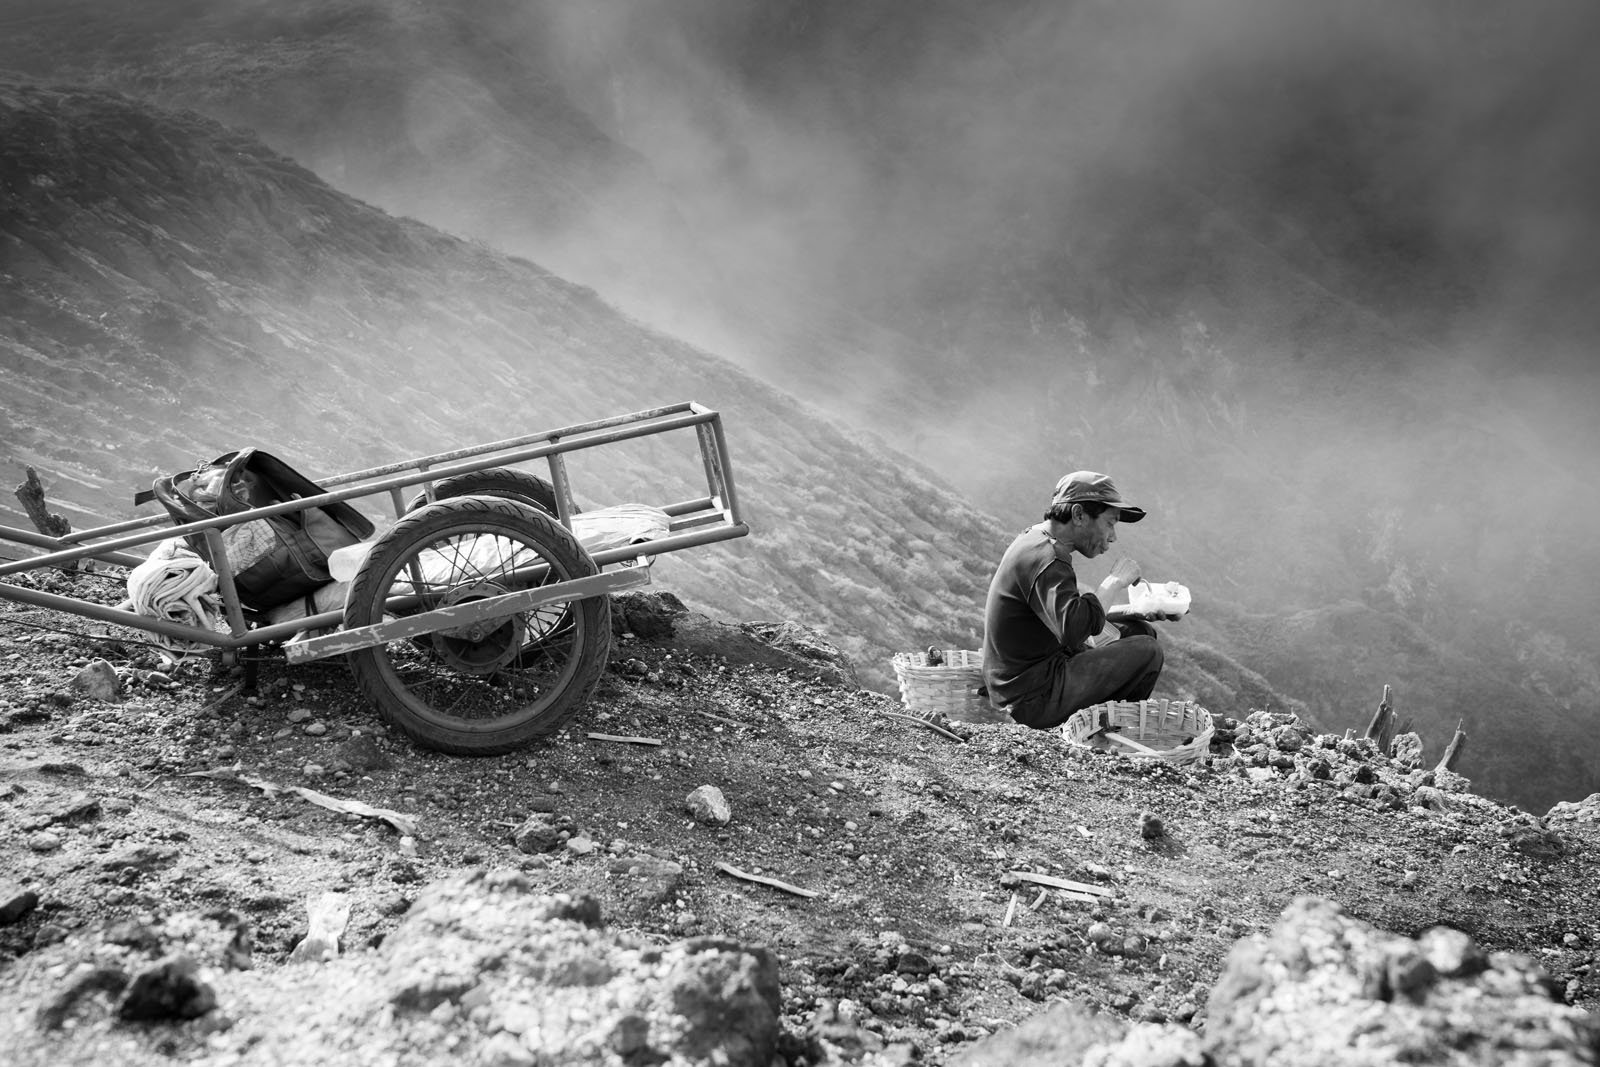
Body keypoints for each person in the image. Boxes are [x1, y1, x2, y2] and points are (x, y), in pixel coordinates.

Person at [981, 470, 1166, 729]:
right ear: (1078, 515)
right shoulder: (1048, 560)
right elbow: (1073, 630)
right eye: (1110, 523)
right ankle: (1107, 732)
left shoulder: (1037, 540)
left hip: (1028, 676)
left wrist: (1136, 610)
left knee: (1139, 629)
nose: (1113, 537)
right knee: (1148, 652)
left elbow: (1065, 616)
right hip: (1032, 695)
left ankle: (1102, 724)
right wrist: (1113, 582)